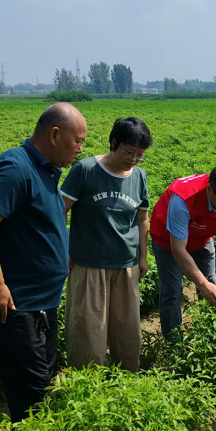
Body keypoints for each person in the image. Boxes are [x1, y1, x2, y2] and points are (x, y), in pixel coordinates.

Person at [0, 103, 87, 422]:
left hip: (43, 303)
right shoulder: (15, 166)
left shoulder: (46, 170)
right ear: (55, 134)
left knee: (42, 386)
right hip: (17, 305)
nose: (80, 149)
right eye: (77, 141)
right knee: (32, 399)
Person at [60, 117, 152, 372]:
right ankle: (87, 385)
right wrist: (63, 249)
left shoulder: (139, 176)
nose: (134, 159)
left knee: (127, 331)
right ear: (113, 142)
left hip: (126, 264)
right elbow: (60, 210)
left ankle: (127, 381)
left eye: (140, 155)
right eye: (129, 152)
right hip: (89, 264)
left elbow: (142, 219)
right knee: (88, 332)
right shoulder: (86, 170)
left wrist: (142, 257)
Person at [150, 165, 216, 340]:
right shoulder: (183, 199)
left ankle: (210, 336)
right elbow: (178, 249)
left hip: (201, 237)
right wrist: (202, 284)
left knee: (211, 287)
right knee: (172, 293)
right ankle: (174, 344)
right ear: (210, 189)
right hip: (168, 242)